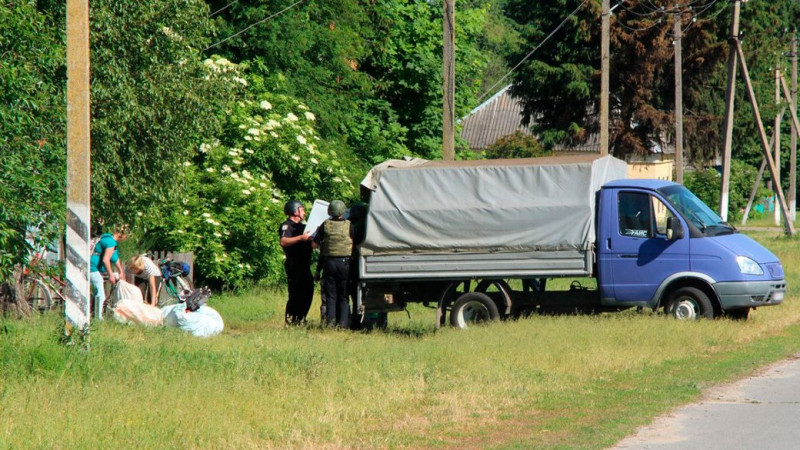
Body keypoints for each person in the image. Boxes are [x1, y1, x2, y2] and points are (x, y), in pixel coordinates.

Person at [313, 200, 353, 329]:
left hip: (329, 263)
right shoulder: (350, 226)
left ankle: (330, 324)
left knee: (330, 296)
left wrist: (318, 270)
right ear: (343, 211)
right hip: (345, 264)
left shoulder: (325, 225)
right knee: (344, 296)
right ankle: (343, 325)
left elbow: (314, 245)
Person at [278, 200, 314, 325]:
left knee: (308, 291)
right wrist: (300, 238)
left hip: (305, 264)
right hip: (294, 265)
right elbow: (284, 241)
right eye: (302, 209)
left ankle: (301, 318)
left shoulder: (304, 227)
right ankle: (291, 319)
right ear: (295, 211)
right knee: (295, 293)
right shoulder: (287, 226)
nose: (304, 212)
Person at [89, 224, 129, 319]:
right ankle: (98, 318)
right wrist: (111, 275)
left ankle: (92, 313)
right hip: (92, 267)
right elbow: (106, 259)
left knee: (94, 292)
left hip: (93, 266)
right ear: (122, 235)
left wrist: (121, 271)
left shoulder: (107, 238)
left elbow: (114, 257)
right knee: (100, 293)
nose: (125, 239)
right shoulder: (111, 242)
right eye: (126, 237)